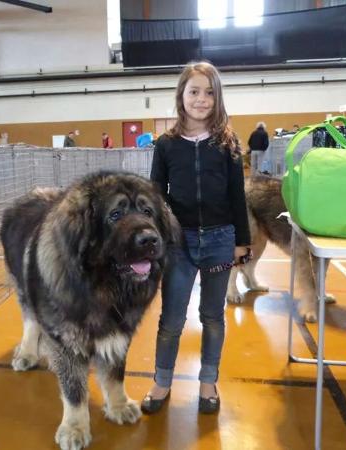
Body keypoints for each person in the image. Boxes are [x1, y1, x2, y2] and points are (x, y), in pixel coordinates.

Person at [142, 61, 251, 415]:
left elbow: (238, 195)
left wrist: (242, 241)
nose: (201, 99)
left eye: (209, 92)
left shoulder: (227, 142)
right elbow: (156, 195)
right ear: (181, 96)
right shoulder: (167, 145)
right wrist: (158, 238)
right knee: (171, 320)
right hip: (179, 242)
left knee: (213, 317)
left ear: (217, 98)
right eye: (194, 91)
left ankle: (208, 381)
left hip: (221, 239)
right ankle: (161, 381)